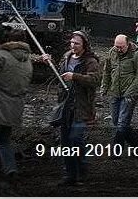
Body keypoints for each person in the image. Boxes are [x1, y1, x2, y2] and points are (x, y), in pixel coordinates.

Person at [42, 30, 101, 186]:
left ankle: (82, 169)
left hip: (81, 106)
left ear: (84, 45)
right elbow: (60, 75)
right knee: (65, 142)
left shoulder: (90, 61)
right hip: (66, 105)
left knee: (76, 139)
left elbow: (95, 80)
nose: (73, 46)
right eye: (72, 42)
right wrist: (50, 63)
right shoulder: (67, 57)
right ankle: (70, 174)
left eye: (77, 43)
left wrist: (75, 76)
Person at [100, 34, 138, 148]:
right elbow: (107, 71)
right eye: (117, 46)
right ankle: (137, 143)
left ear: (128, 44)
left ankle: (116, 150)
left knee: (122, 123)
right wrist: (104, 87)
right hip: (115, 92)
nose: (119, 49)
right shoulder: (112, 52)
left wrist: (130, 92)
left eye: (121, 47)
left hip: (130, 94)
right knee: (117, 121)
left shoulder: (136, 55)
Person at [0, 30, 33, 178]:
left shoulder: (2, 56)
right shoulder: (28, 61)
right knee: (4, 140)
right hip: (16, 106)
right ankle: (10, 168)